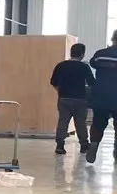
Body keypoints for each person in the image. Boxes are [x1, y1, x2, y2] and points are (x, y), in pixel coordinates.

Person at [50, 42, 93, 155]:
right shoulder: (84, 67)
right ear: (82, 54)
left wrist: (60, 92)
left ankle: (60, 145)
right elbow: (92, 83)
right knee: (80, 123)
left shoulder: (61, 66)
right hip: (80, 99)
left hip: (64, 99)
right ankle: (84, 146)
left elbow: (53, 82)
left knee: (62, 122)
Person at [87, 33, 117, 163]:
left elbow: (93, 63)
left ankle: (94, 145)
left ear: (113, 39)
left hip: (101, 95)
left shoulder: (100, 54)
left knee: (98, 123)